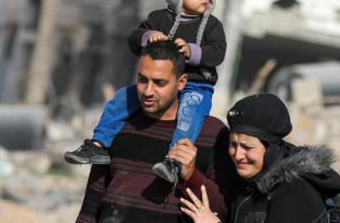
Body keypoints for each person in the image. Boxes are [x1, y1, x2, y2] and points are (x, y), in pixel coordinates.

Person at [64, 0, 227, 187]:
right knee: (121, 98)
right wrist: (149, 36)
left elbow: (217, 53)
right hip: (159, 84)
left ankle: (173, 163)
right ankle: (98, 146)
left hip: (196, 85)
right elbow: (134, 39)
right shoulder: (157, 19)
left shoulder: (212, 25)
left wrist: (192, 51)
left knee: (188, 116)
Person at [75, 42, 229, 223]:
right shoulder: (118, 126)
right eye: (142, 80)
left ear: (181, 82)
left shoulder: (212, 133)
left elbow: (225, 208)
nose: (148, 91)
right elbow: (91, 204)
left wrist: (191, 175)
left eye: (159, 83)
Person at [180, 93, 340, 223]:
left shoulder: (294, 190)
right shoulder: (248, 183)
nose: (237, 155)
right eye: (233, 144)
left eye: (247, 147)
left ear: (270, 148)